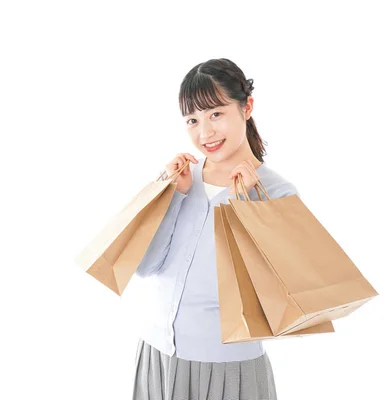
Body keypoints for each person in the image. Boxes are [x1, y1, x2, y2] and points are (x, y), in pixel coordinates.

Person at [130, 58, 299, 400]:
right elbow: (145, 267)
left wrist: (245, 207)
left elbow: (278, 297)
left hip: (228, 369)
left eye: (216, 114)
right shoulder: (181, 179)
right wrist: (173, 196)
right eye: (193, 119)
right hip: (157, 356)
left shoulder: (276, 192)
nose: (204, 133)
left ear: (246, 107)